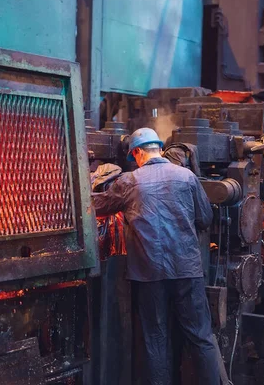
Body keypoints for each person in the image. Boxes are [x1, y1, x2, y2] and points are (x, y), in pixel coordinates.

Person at [92, 127, 221, 384]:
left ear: (138, 152)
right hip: (187, 269)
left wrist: (92, 182)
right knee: (200, 336)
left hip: (149, 273)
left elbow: (98, 207)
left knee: (156, 340)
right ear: (159, 148)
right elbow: (205, 218)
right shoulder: (186, 177)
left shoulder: (130, 180)